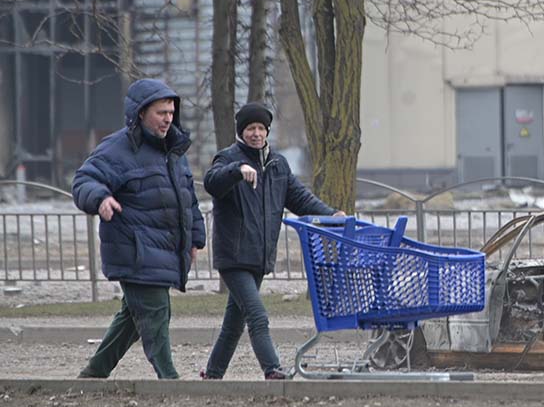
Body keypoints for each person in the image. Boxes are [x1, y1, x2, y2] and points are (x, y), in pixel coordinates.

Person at [74, 78, 205, 379]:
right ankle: (169, 380)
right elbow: (84, 181)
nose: (168, 119)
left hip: (164, 251)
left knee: (132, 319)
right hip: (134, 251)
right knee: (156, 312)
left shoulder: (174, 150)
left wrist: (195, 238)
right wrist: (101, 198)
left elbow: (188, 197)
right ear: (141, 113)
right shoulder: (117, 148)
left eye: (171, 113)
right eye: (161, 113)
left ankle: (94, 373)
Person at [201, 102, 343, 380]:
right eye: (250, 129)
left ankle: (213, 375)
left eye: (261, 128)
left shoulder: (278, 164)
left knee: (234, 324)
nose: (256, 134)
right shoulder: (228, 158)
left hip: (259, 256)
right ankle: (272, 370)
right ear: (241, 132)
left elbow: (299, 198)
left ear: (267, 131)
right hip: (234, 256)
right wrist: (237, 170)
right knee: (257, 316)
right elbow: (212, 182)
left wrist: (331, 215)